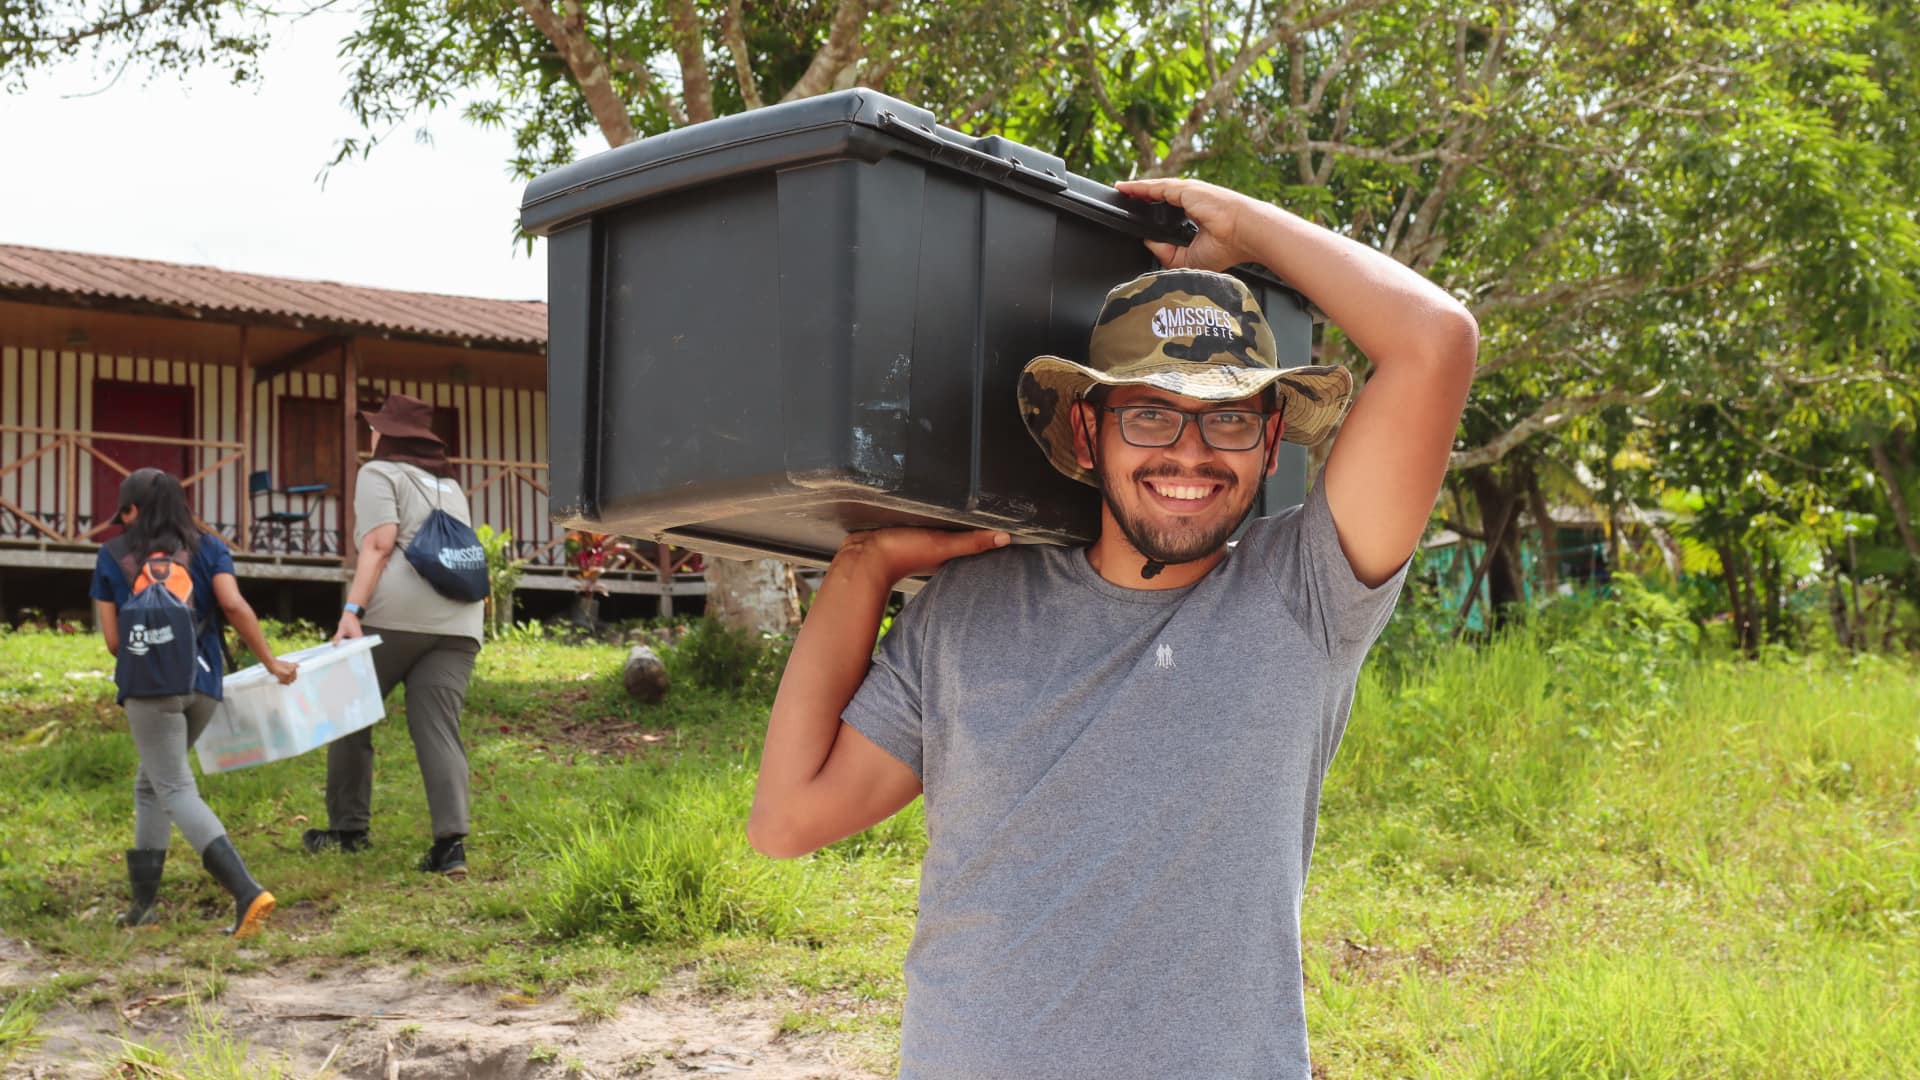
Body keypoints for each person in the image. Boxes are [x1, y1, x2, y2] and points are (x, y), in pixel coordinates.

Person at [747, 177, 1477, 1077]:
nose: (1190, 452)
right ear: (1089, 433)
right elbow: (786, 819)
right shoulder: (970, 610)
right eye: (1150, 414)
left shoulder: (1308, 594)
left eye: (1229, 418)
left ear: (1272, 435)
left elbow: (1436, 343)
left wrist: (1244, 228)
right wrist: (864, 567)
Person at [91, 468, 296, 938]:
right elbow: (234, 605)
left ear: (133, 510)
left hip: (149, 689)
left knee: (175, 788)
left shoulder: (112, 555)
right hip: (203, 685)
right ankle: (143, 909)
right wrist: (270, 662)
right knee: (153, 784)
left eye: (123, 513)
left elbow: (112, 641)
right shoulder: (208, 546)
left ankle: (247, 893)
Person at [304, 392, 483, 878]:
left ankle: (348, 829)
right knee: (439, 730)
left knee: (346, 711)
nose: (371, 432)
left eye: (376, 426)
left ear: (388, 435)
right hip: (462, 622)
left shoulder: (377, 473)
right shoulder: (451, 486)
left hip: (396, 616)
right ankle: (451, 846)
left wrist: (351, 609)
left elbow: (379, 545)